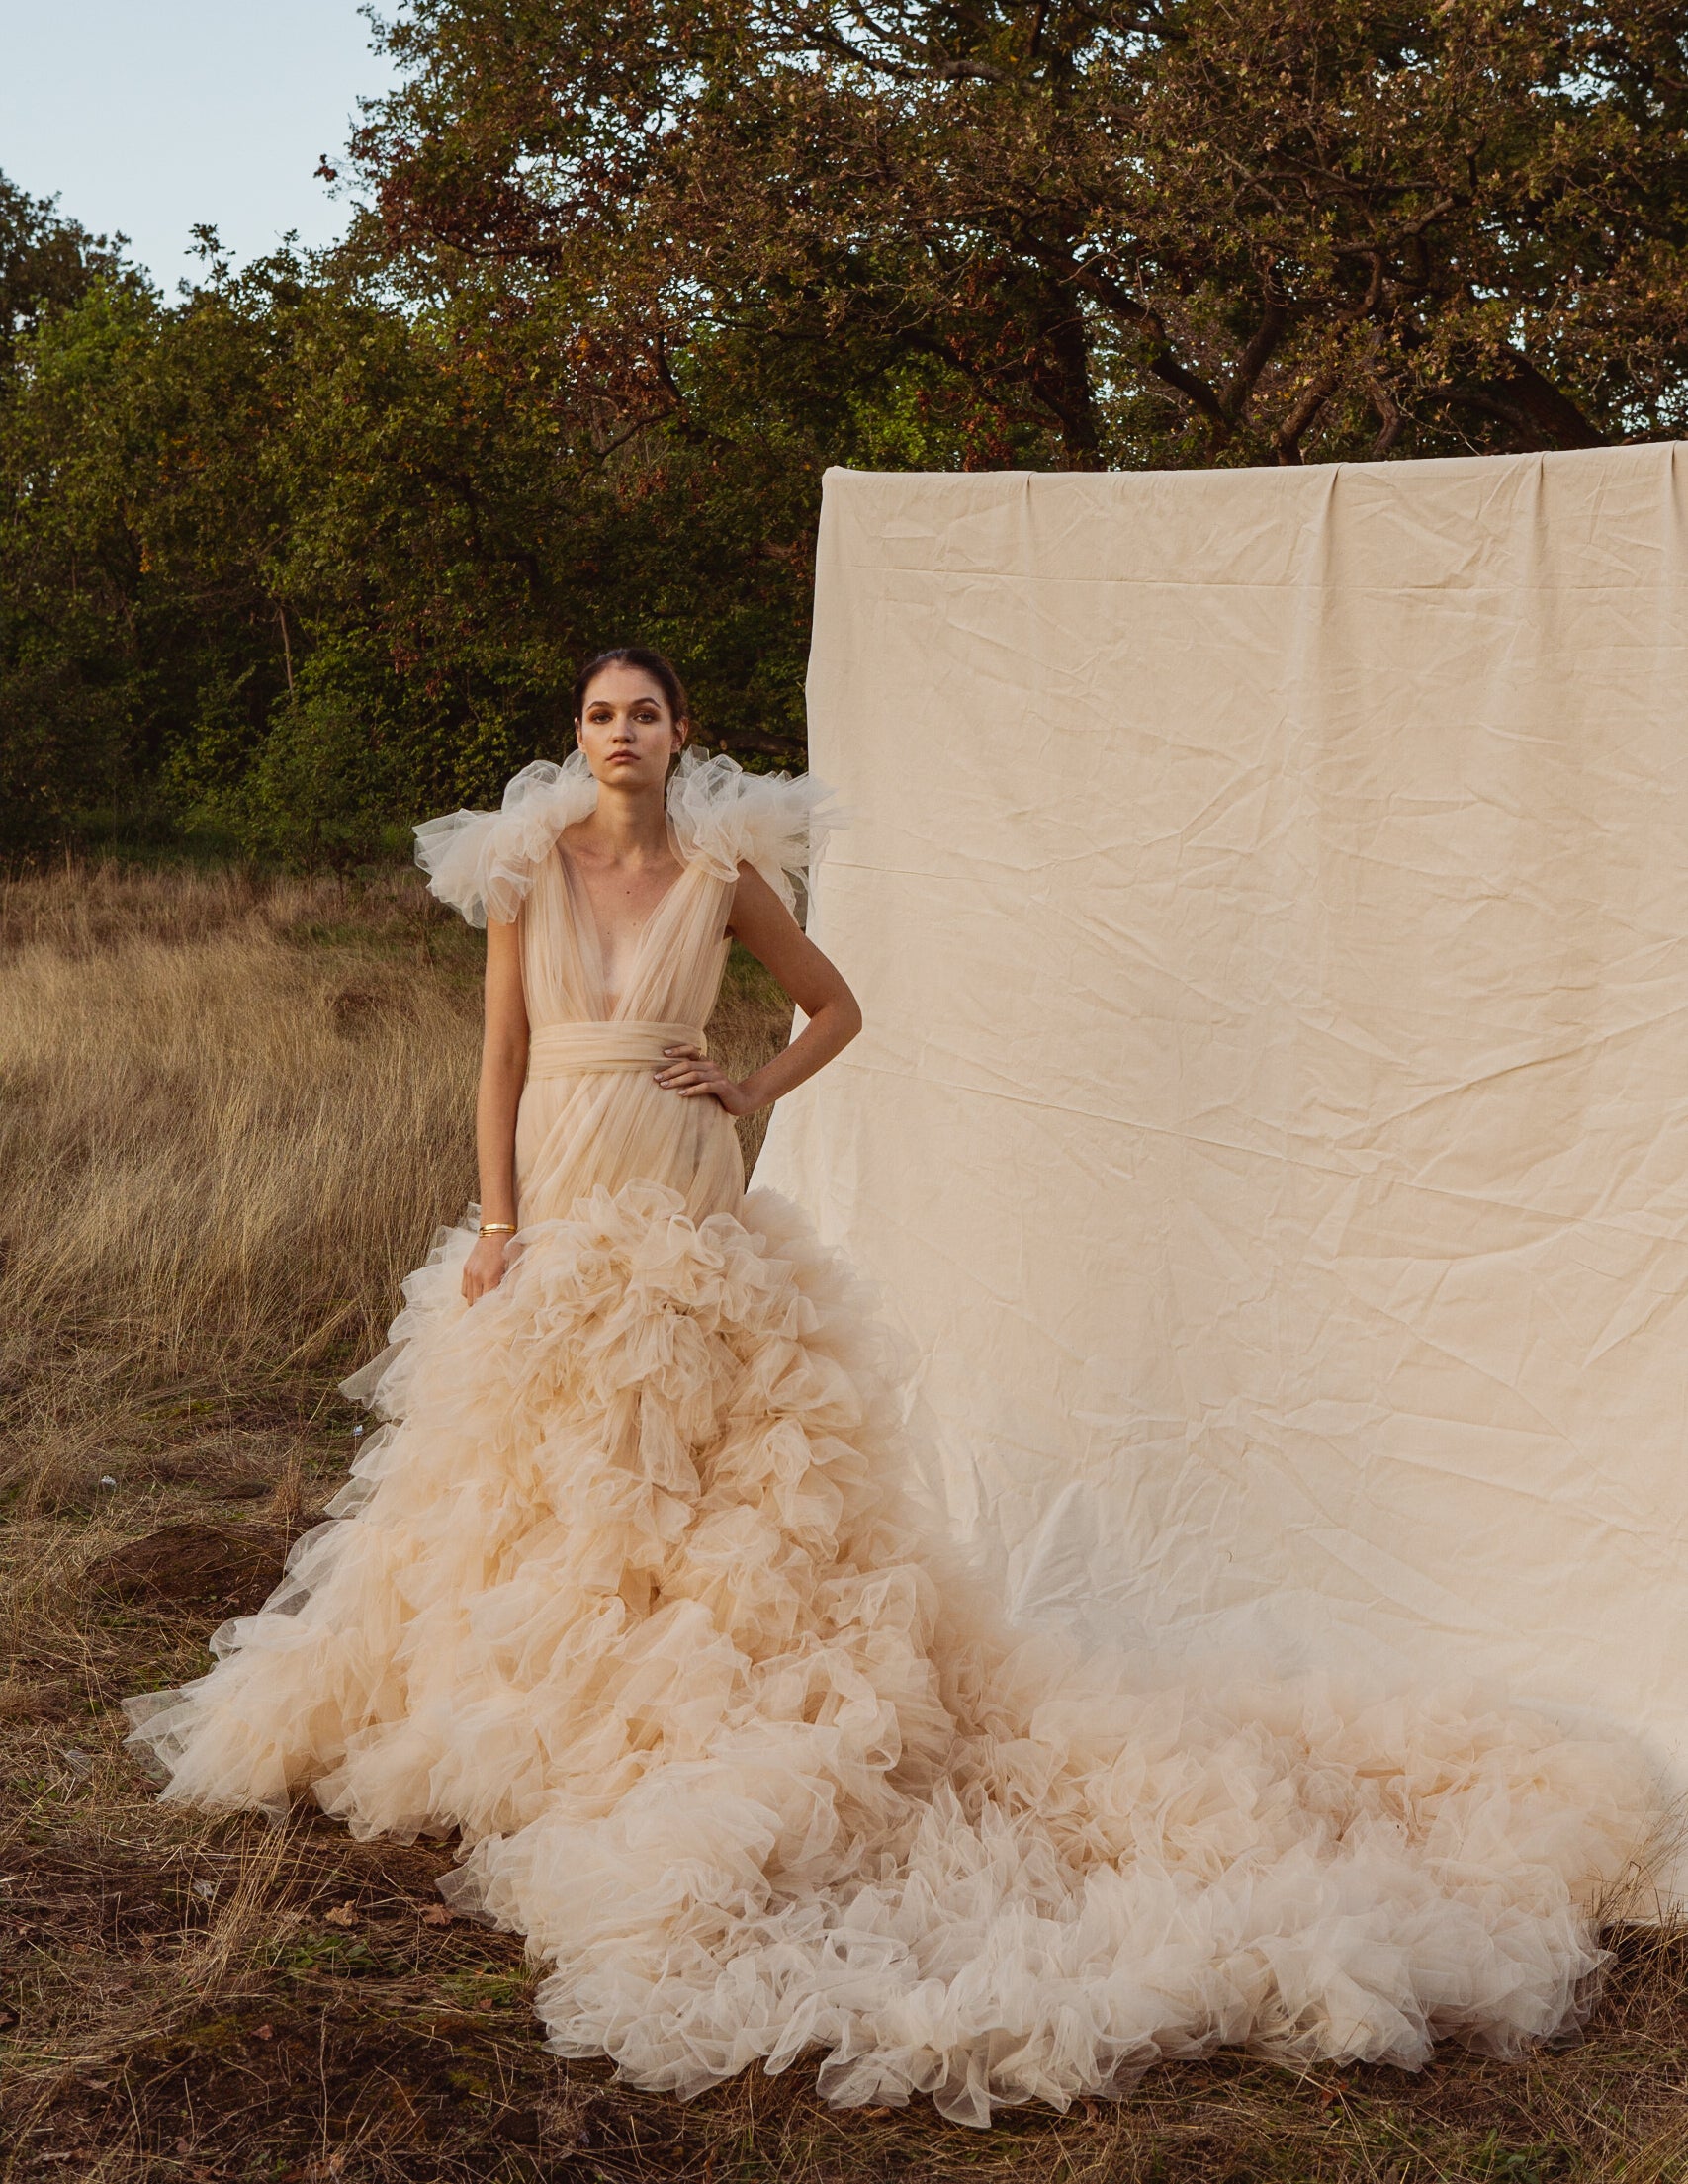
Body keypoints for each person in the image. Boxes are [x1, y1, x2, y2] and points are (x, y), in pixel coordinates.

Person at [126, 646, 1659, 2127]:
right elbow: (500, 1060)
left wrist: (748, 1088)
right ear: (574, 733)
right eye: (598, 715)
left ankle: (674, 1719)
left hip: (688, 1195)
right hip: (566, 1188)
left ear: (678, 732)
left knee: (712, 1477)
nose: (619, 736)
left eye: (643, 714)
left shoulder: (726, 881)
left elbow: (837, 1008)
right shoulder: (525, 875)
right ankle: (522, 1718)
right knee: (541, 1467)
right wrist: (504, 1221)